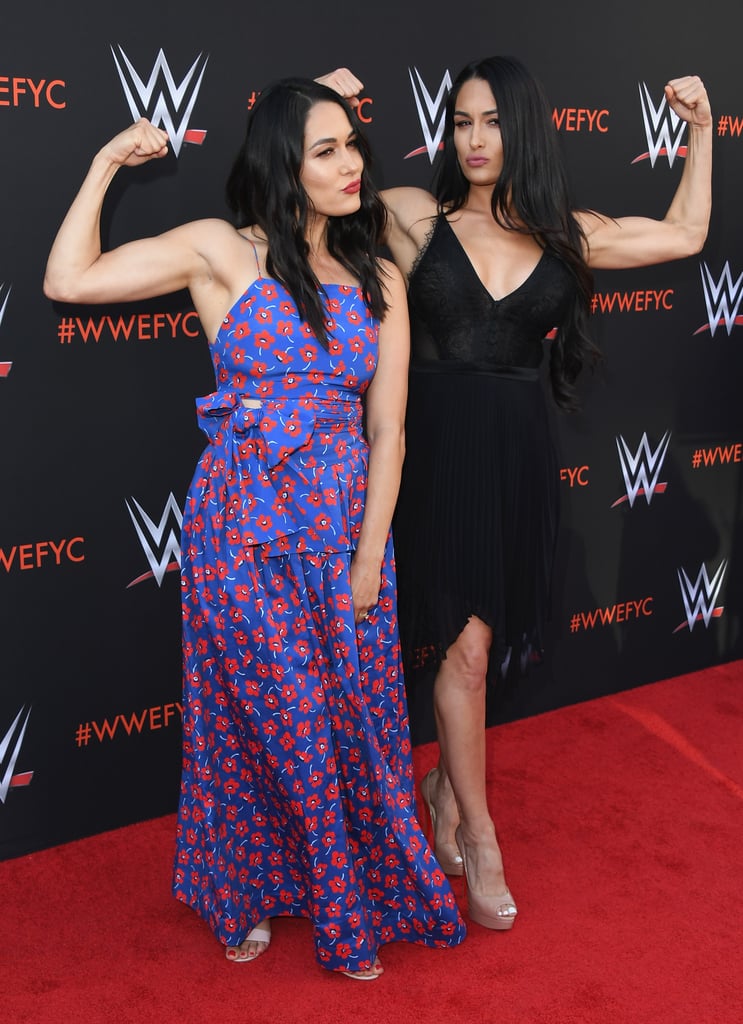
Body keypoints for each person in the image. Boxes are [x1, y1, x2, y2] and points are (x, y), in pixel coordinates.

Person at [44, 77, 466, 978]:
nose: (351, 163)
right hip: (239, 536)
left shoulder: (378, 274)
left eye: (353, 145)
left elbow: (388, 429)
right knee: (265, 722)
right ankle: (273, 897)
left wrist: (366, 561)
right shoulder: (219, 252)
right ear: (283, 163)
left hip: (348, 531)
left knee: (353, 725)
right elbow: (66, 280)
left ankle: (335, 885)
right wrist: (104, 164)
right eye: (325, 150)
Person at [321, 59, 712, 930]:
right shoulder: (415, 217)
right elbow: (306, 190)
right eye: (460, 122)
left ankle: (445, 791)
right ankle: (481, 834)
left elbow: (685, 234)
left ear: (523, 127)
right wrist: (325, 99)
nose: (473, 139)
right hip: (429, 456)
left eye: (491, 121)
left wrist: (701, 126)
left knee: (479, 645)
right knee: (457, 653)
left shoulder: (569, 233)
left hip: (517, 458)